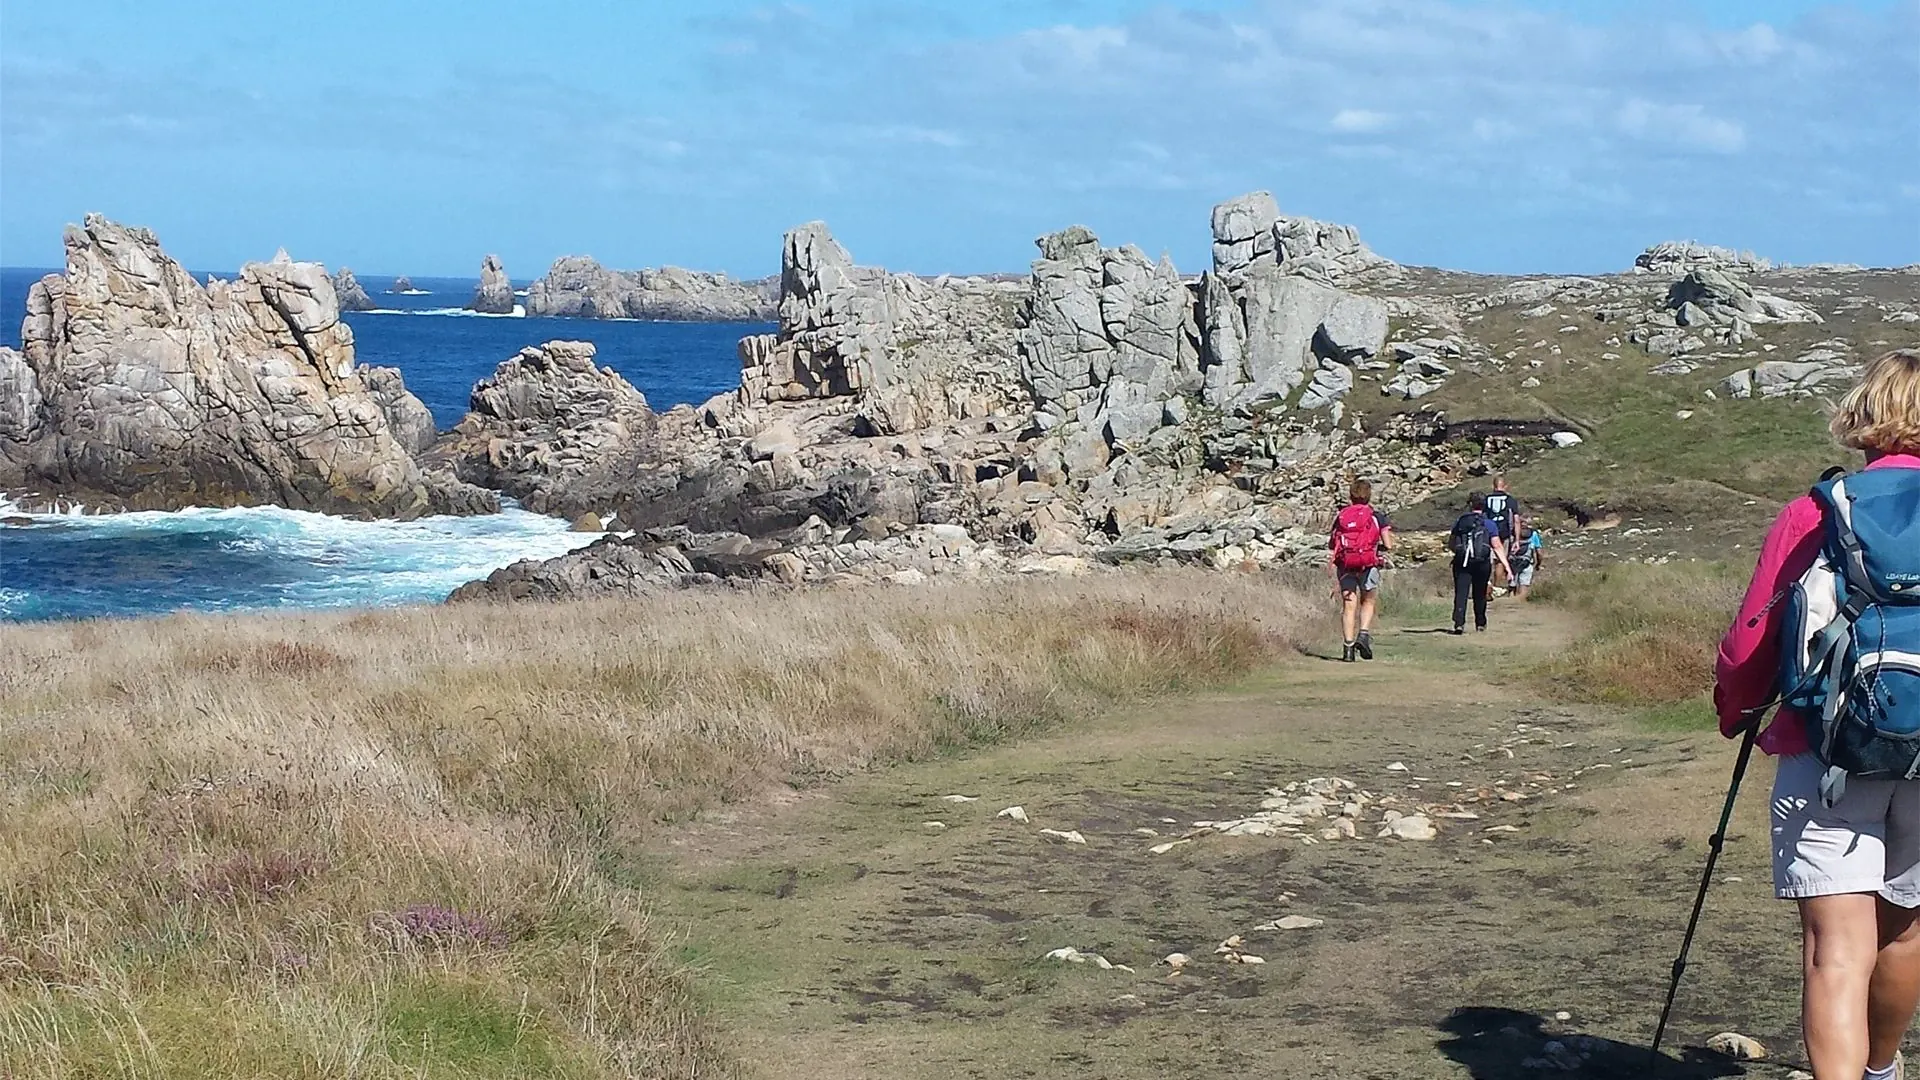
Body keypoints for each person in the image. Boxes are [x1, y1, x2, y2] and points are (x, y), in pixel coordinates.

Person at [1714, 349, 1920, 1080]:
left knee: (1836, 950)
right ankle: (1883, 1070)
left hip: (1826, 746)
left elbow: (1748, 641)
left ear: (1863, 417)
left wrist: (1736, 709)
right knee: (1903, 935)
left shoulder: (1816, 512)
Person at [1329, 478, 1394, 662]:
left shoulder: (1342, 515)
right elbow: (1388, 544)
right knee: (1369, 600)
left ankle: (1347, 650)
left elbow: (1332, 543)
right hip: (1368, 563)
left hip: (1346, 565)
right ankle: (1363, 634)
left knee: (1349, 606)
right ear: (1369, 495)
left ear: (1351, 495)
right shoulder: (1376, 516)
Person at [1448, 492, 1506, 635]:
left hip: (1462, 562)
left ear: (1470, 504)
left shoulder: (1460, 521)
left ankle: (1459, 623)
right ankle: (1480, 623)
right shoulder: (1489, 524)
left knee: (1461, 593)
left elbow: (1452, 542)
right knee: (1480, 594)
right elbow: (1497, 546)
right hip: (1482, 563)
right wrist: (1506, 566)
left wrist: (1459, 552)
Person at [1483, 475, 1521, 593]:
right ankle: (1496, 586)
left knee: (1487, 560)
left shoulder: (1486, 499)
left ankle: (1486, 586)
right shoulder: (1510, 500)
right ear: (1505, 486)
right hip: (1504, 534)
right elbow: (1516, 520)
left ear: (1493, 486)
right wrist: (1517, 540)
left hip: (1488, 533)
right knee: (1500, 560)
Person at [1510, 522, 1544, 601]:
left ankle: (1509, 603)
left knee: (1512, 586)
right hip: (1527, 562)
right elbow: (1539, 552)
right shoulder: (1533, 534)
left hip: (1512, 563)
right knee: (1524, 585)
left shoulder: (1513, 532)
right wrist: (1538, 564)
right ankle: (1520, 605)